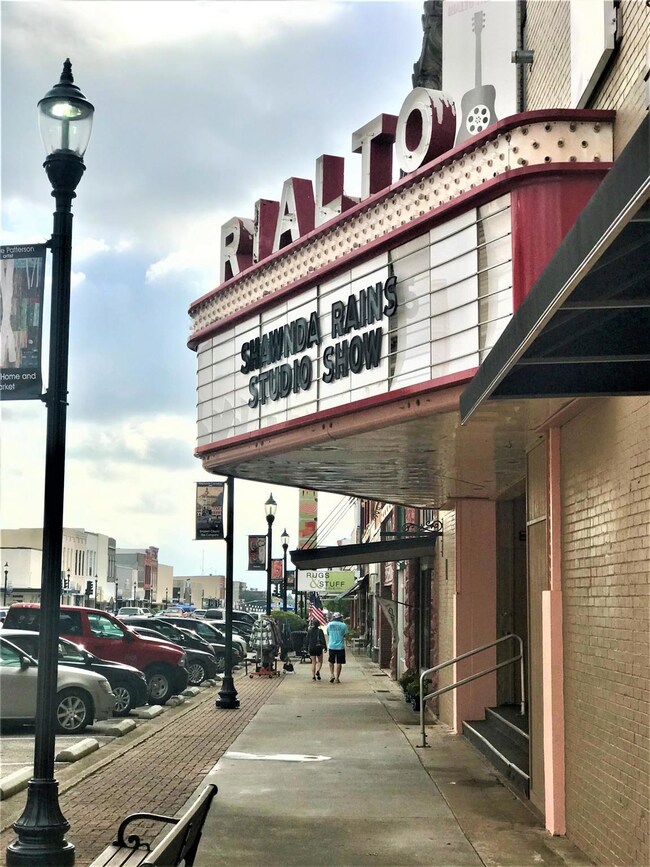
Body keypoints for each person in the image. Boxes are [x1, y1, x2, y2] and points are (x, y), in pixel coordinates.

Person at [326, 612, 349, 683]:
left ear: (333, 617)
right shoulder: (343, 625)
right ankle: (337, 678)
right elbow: (346, 636)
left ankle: (332, 674)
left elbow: (328, 633)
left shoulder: (329, 624)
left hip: (331, 646)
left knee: (331, 661)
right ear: (340, 618)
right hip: (340, 647)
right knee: (339, 662)